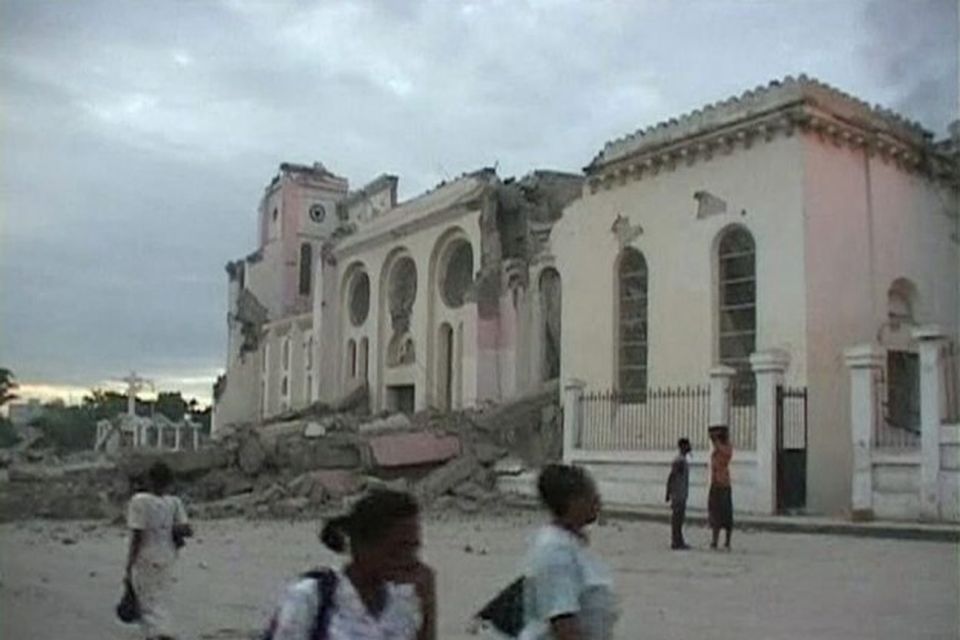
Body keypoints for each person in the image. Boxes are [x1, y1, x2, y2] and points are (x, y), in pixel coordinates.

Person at [268, 488, 436, 640]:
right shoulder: (310, 597)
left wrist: (428, 604)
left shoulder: (405, 601)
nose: (408, 559)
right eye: (396, 550)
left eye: (413, 548)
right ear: (361, 546)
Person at [520, 464, 617, 640]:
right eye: (590, 495)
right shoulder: (556, 551)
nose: (598, 500)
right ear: (572, 502)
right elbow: (564, 624)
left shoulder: (571, 543)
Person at [124, 461, 192, 640]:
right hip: (168, 555)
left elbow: (137, 535)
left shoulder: (139, 501)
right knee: (162, 598)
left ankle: (158, 634)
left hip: (146, 556)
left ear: (149, 479)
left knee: (147, 600)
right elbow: (186, 529)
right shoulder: (174, 502)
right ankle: (165, 630)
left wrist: (129, 564)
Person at [708, 425, 734, 550]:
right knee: (715, 515)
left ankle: (727, 541)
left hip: (724, 484)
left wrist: (716, 437)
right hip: (715, 484)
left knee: (726, 515)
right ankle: (714, 540)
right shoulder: (716, 450)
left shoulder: (726, 448)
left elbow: (722, 449)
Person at [665, 437, 692, 550]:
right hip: (678, 495)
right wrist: (668, 492)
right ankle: (676, 542)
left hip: (681, 494)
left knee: (679, 519)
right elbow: (671, 477)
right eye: (687, 445)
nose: (690, 447)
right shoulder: (680, 461)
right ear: (683, 447)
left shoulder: (682, 460)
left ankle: (678, 540)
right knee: (677, 519)